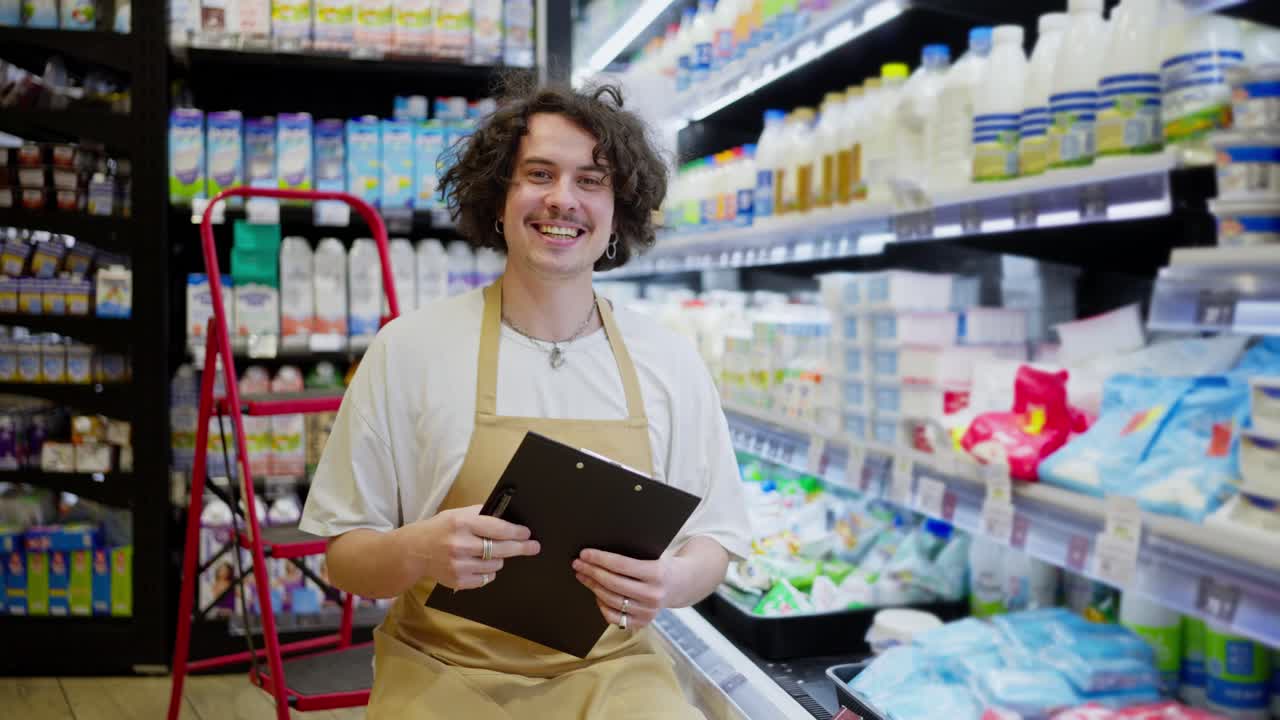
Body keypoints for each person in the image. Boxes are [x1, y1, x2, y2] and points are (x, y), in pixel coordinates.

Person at [299, 77, 752, 718]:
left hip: (615, 672)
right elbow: (344, 557)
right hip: (441, 671)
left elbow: (716, 538)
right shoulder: (410, 350)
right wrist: (418, 550)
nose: (561, 200)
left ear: (620, 209)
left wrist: (671, 581)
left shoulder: (669, 361)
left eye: (591, 180)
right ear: (499, 198)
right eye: (538, 173)